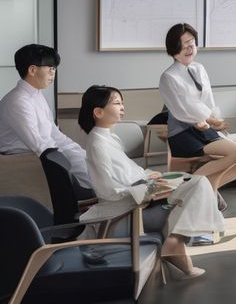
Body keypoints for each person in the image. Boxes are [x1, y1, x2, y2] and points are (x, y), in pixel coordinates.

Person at [78, 85, 223, 280]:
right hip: (125, 215)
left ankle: (176, 243)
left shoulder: (108, 138)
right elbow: (108, 191)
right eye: (117, 103)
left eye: (123, 103)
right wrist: (148, 189)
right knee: (197, 186)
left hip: (136, 201)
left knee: (195, 183)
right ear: (98, 111)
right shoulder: (98, 143)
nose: (122, 107)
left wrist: (151, 178)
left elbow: (129, 173)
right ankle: (175, 243)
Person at [158, 23, 236, 205]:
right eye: (183, 44)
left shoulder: (199, 68)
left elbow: (208, 100)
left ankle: (207, 189)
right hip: (183, 133)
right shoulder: (168, 77)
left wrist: (214, 120)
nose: (189, 48)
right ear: (173, 48)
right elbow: (183, 109)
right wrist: (207, 120)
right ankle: (187, 188)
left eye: (192, 42)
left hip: (204, 128)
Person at [0, 44, 93, 198]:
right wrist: (68, 154)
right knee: (82, 166)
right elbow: (37, 144)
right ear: (32, 70)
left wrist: (76, 149)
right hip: (23, 158)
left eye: (54, 68)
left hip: (43, 150)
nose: (53, 72)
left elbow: (53, 132)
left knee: (86, 158)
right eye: (49, 67)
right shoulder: (18, 101)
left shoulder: (36, 95)